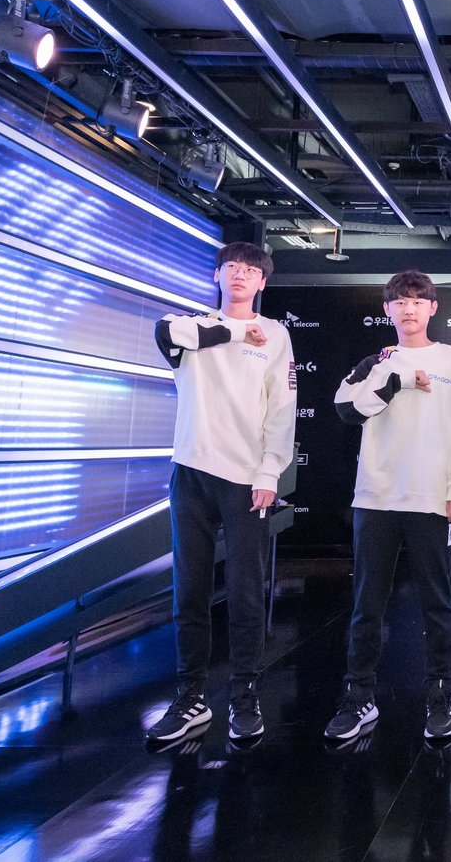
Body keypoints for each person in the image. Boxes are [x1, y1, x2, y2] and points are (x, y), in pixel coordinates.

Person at [326, 270, 451, 743]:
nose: (408, 309)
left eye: (417, 301)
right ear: (387, 310)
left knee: (437, 604)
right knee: (366, 606)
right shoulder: (376, 362)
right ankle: (359, 697)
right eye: (399, 302)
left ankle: (439, 697)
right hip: (376, 497)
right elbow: (344, 408)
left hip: (431, 497)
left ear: (432, 308)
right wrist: (395, 381)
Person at [147, 242, 296, 744]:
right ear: (217, 275)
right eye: (231, 267)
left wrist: (270, 473)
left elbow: (282, 408)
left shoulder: (275, 335)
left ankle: (244, 694)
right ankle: (190, 698)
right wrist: (235, 330)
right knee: (189, 590)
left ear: (262, 283)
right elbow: (165, 332)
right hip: (190, 472)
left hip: (245, 477)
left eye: (251, 270)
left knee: (245, 590)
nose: (240, 275)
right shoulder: (191, 325)